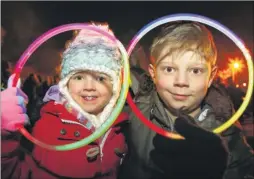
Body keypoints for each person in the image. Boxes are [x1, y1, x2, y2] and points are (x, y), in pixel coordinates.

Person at [119, 22, 254, 179]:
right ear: (153, 73)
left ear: (210, 77)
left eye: (195, 71)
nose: (181, 81)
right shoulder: (131, 117)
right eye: (169, 69)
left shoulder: (227, 134)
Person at [1, 23, 128, 179]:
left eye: (100, 78)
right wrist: (3, 136)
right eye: (79, 77)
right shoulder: (48, 125)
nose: (89, 87)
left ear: (115, 86)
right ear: (66, 83)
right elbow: (16, 172)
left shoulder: (120, 127)